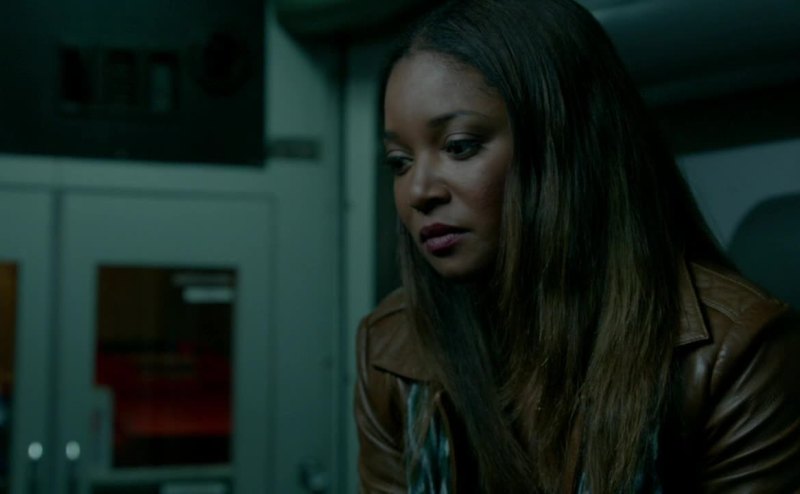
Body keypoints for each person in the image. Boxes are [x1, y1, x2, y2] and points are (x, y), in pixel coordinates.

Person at [354, 0, 800, 492]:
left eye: (459, 146)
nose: (418, 191)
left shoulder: (735, 353)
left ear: (562, 146)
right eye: (399, 162)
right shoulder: (391, 348)